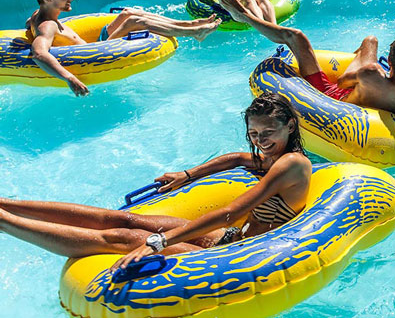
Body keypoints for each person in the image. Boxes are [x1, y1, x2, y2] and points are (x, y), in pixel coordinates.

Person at [0, 94, 312, 271]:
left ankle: (4, 222)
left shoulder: (292, 163)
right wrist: (187, 176)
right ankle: (5, 203)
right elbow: (236, 158)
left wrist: (161, 241)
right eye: (254, 134)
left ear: (290, 125)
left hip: (246, 255)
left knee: (123, 236)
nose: (260, 141)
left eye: (268, 133)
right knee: (123, 218)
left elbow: (230, 212)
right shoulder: (274, 156)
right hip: (233, 237)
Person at [216, 0, 395, 118]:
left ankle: (244, 16)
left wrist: (360, 74)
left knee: (296, 37)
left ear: (388, 60)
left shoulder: (373, 73)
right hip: (372, 102)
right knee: (370, 41)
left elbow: (342, 81)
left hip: (334, 101)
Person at [26, 0, 220, 97]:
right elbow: (39, 53)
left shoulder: (38, 14)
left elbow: (29, 24)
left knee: (129, 13)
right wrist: (69, 78)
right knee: (135, 22)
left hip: (97, 42)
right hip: (99, 52)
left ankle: (190, 23)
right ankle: (194, 33)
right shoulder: (48, 25)